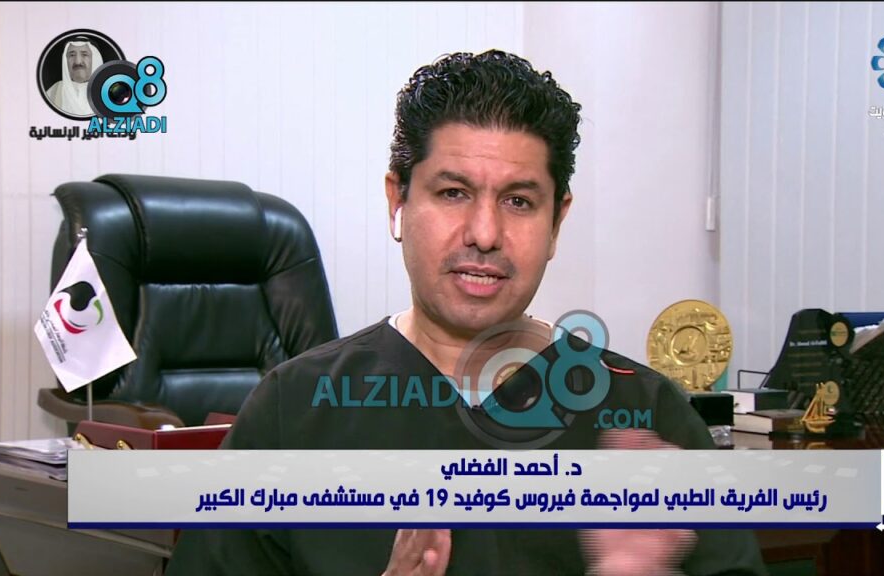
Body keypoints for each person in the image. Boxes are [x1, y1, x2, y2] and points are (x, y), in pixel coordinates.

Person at [167, 50, 766, 576]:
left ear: (557, 222)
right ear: (398, 201)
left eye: (519, 201)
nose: (484, 233)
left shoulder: (646, 415)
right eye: (453, 193)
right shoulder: (293, 412)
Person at [45, 38, 102, 117]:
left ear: (95, 59)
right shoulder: (55, 90)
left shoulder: (107, 91)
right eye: (72, 55)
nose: (78, 61)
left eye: (84, 54)